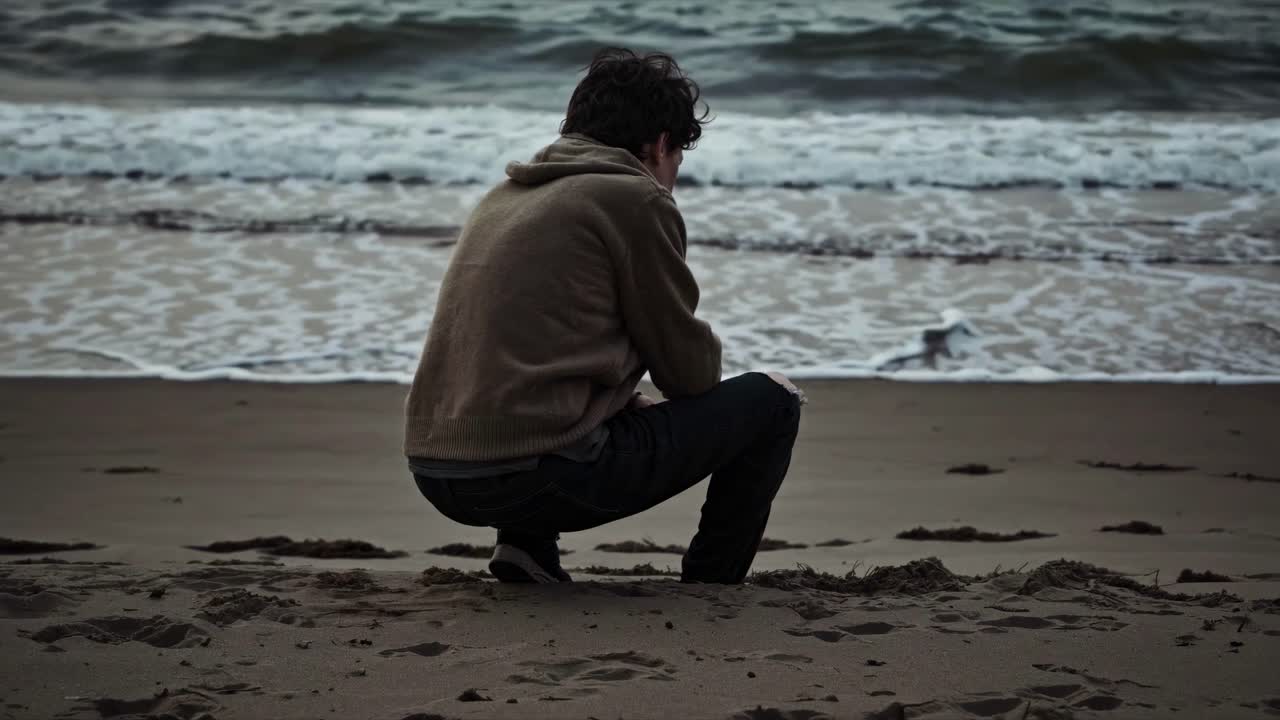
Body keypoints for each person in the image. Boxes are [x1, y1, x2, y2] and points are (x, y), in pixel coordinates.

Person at [404, 47, 804, 584]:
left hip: (437, 471)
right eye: (676, 162)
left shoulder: (507, 196)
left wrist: (616, 396)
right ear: (662, 144)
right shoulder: (634, 199)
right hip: (535, 478)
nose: (672, 179)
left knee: (559, 397)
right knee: (772, 399)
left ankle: (527, 550)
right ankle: (714, 581)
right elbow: (691, 375)